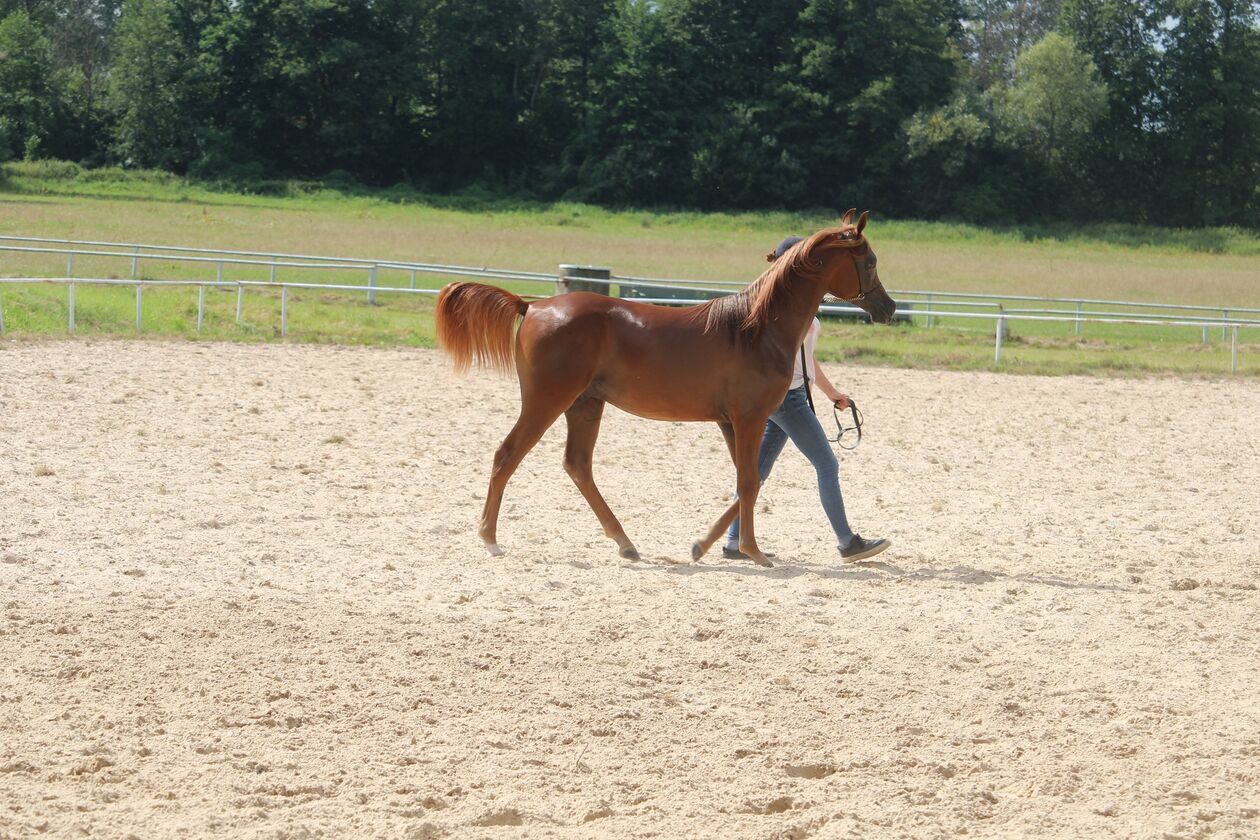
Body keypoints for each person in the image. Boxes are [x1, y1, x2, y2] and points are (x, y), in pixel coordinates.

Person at [723, 235, 890, 562]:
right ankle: (847, 542)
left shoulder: (793, 303)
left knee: (757, 470)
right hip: (788, 399)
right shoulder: (784, 307)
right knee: (826, 464)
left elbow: (806, 357)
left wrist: (831, 393)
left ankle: (732, 542)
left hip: (788, 395)